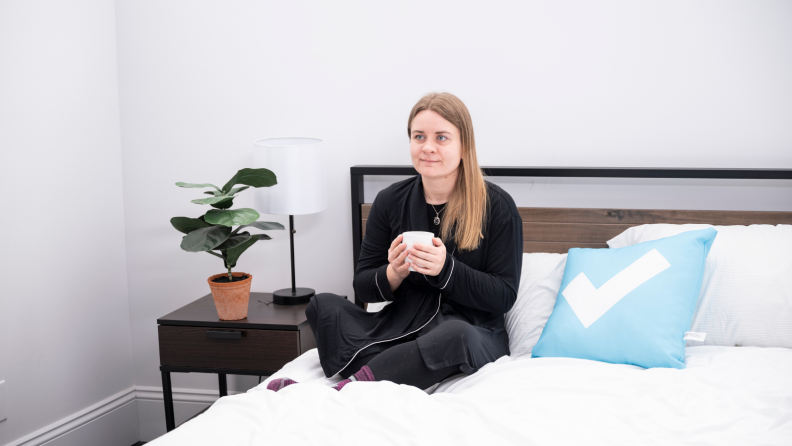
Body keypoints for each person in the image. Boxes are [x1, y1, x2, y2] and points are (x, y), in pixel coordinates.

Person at [267, 92, 523, 392]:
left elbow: (503, 295)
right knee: (324, 306)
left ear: (464, 145)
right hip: (402, 324)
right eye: (419, 137)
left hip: (473, 332)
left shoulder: (498, 206)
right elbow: (362, 285)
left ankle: (346, 389)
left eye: (441, 138)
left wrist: (447, 270)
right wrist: (394, 273)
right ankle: (384, 366)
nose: (428, 147)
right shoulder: (389, 201)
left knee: (456, 334)